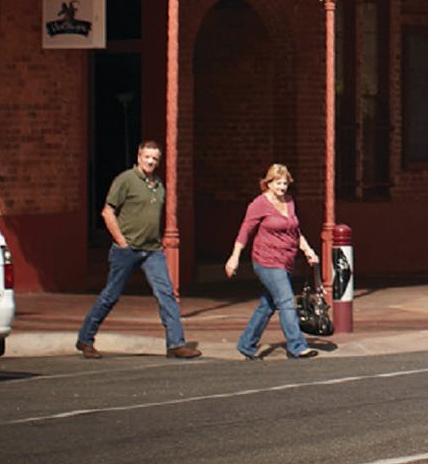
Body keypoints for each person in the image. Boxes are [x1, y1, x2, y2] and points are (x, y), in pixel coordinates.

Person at [77, 140, 201, 359]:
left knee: (166, 294)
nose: (151, 161)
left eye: (155, 158)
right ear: (139, 156)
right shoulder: (126, 180)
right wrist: (121, 241)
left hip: (152, 250)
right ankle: (86, 339)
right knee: (111, 295)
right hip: (127, 249)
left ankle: (176, 344)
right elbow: (107, 212)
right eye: (147, 157)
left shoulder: (158, 184)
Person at [225, 163, 322, 361]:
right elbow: (245, 230)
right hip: (266, 260)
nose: (282, 188)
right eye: (278, 183)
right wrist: (234, 257)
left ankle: (246, 343)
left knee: (267, 304)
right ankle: (297, 346)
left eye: (285, 183)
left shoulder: (289, 201)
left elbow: (295, 231)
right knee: (286, 301)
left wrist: (307, 250)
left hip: (286, 260)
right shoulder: (259, 204)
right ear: (268, 183)